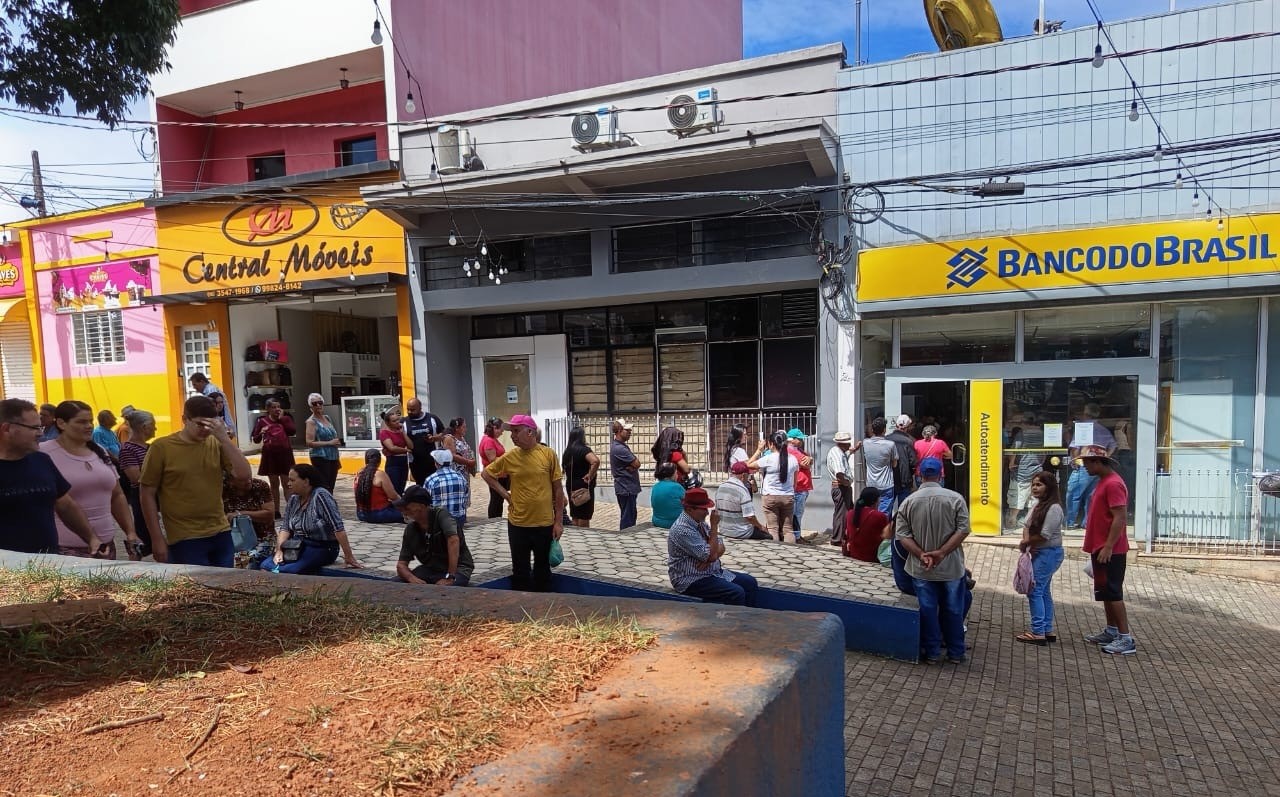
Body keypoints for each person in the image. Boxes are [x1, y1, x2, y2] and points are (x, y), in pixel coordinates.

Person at [139, 394, 253, 567]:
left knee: (225, 584)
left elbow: (244, 476)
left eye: (210, 425)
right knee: (197, 588)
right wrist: (156, 538)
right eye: (200, 424)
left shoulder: (215, 442)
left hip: (220, 530)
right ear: (185, 419)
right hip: (185, 536)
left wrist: (224, 438)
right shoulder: (162, 447)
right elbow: (147, 493)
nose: (205, 430)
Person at [41, 401, 141, 559]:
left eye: (90, 421)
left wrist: (130, 532)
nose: (88, 426)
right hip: (65, 549)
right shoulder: (43, 453)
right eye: (81, 422)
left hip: (106, 546)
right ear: (61, 423)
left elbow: (117, 495)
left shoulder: (99, 451)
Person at [895, 457, 970, 664]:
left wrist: (921, 555)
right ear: (941, 475)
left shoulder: (909, 501)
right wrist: (943, 552)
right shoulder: (956, 499)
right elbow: (964, 530)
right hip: (951, 566)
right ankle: (956, 652)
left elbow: (902, 536)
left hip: (921, 568)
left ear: (919, 476)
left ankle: (933, 653)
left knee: (928, 609)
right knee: (954, 610)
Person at [0, 398, 97, 554]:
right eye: (34, 428)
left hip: (48, 565)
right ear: (7, 429)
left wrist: (91, 538)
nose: (40, 433)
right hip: (8, 572)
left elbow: (65, 505)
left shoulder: (41, 460)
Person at [481, 414, 566, 592]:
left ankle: (543, 608)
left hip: (544, 524)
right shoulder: (511, 456)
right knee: (520, 570)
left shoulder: (548, 454)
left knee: (542, 570)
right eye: (512, 432)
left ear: (530, 432)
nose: (512, 436)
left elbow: (558, 489)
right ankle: (521, 609)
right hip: (518, 524)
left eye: (516, 431)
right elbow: (487, 474)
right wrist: (506, 495)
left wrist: (558, 521)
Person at [1079, 444, 1137, 655]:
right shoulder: (1104, 482)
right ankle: (1112, 631)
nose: (1084, 466)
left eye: (1087, 462)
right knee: (1105, 591)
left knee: (1113, 593)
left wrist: (1109, 546)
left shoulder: (1113, 484)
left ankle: (1125, 638)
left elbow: (1119, 517)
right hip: (1102, 547)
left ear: (1097, 462)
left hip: (1110, 549)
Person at [262, 464, 362, 574]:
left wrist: (348, 556)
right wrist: (279, 550)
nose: (288, 483)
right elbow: (285, 528)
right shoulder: (294, 499)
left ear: (306, 481)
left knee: (290, 571)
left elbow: (338, 528)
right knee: (266, 565)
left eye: (292, 480)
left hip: (321, 548)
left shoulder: (321, 496)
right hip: (296, 546)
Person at [666, 487, 759, 606]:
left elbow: (720, 546)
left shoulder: (700, 522)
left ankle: (750, 616)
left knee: (750, 582)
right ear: (690, 509)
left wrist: (710, 559)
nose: (707, 512)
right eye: (703, 509)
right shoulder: (682, 529)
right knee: (736, 593)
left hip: (712, 571)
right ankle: (734, 621)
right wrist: (714, 527)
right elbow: (710, 553)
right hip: (691, 579)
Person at [1017, 470, 1065, 645]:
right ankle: (1046, 629)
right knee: (1043, 590)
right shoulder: (1037, 505)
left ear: (1049, 487)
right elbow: (1027, 525)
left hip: (1049, 553)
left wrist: (1027, 543)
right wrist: (1027, 541)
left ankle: (1038, 631)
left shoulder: (1054, 508)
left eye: (1039, 484)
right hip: (1039, 552)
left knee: (1035, 590)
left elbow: (1045, 535)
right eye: (1034, 484)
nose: (1035, 488)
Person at [394, 485, 475, 586]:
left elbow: (453, 540)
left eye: (407, 508)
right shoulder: (411, 529)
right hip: (431, 569)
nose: (404, 512)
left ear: (422, 506)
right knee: (394, 584)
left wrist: (450, 576)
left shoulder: (442, 516)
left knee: (441, 590)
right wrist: (411, 578)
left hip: (458, 569)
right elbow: (401, 565)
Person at [1065, 403, 1116, 528]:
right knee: (1090, 495)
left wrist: (1076, 461)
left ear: (1086, 414)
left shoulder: (1083, 428)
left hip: (1084, 465)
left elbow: (1075, 447)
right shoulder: (1103, 429)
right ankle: (1087, 522)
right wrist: (1105, 457)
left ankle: (1070, 522)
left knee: (1073, 494)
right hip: (1099, 465)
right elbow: (1113, 445)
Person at [118, 409, 157, 557]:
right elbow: (135, 478)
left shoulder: (149, 447)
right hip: (141, 495)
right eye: (153, 425)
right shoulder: (128, 449)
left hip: (154, 493)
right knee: (144, 535)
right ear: (144, 427)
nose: (155, 428)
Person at [748, 430, 799, 543]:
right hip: (788, 496)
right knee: (788, 529)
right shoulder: (793, 460)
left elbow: (748, 465)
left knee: (773, 529)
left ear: (771, 444)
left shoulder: (768, 458)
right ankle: (792, 554)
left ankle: (775, 554)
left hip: (770, 496)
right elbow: (795, 482)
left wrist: (759, 450)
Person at [251, 398, 295, 516]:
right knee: (274, 484)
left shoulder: (286, 419)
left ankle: (292, 510)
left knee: (287, 483)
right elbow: (255, 439)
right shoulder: (262, 421)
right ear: (268, 409)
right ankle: (276, 511)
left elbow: (292, 431)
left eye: (278, 407)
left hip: (285, 454)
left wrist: (282, 419)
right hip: (270, 455)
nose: (277, 409)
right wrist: (261, 432)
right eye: (274, 407)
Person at [1005, 412, 1044, 528]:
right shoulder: (1042, 434)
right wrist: (1040, 462)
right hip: (1036, 469)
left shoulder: (1022, 434)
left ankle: (1011, 522)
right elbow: (1046, 451)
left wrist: (1011, 463)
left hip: (1021, 471)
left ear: (1024, 422)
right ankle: (1029, 522)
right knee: (1033, 499)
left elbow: (1015, 449)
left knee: (1017, 498)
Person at [715, 461, 770, 540]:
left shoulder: (721, 487)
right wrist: (761, 527)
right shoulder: (742, 490)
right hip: (741, 532)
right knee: (768, 537)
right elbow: (750, 516)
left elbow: (717, 511)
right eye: (748, 475)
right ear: (743, 475)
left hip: (724, 530)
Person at [562, 426, 600, 528]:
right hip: (583, 486)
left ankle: (577, 535)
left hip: (571, 485)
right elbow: (595, 461)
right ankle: (584, 534)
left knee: (575, 515)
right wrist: (590, 475)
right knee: (584, 515)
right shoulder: (583, 450)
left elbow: (563, 469)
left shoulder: (567, 452)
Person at [304, 392, 341, 493]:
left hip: (333, 456)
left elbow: (332, 436)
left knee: (331, 485)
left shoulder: (327, 418)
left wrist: (336, 442)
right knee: (324, 486)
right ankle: (323, 506)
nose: (318, 405)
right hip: (321, 457)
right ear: (311, 406)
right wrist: (329, 443)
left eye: (320, 403)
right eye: (314, 404)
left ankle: (329, 506)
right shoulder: (311, 422)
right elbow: (309, 442)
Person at [222, 472, 275, 543]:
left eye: (249, 477)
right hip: (233, 539)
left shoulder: (260, 485)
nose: (248, 482)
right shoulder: (221, 489)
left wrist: (240, 514)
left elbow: (270, 514)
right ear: (230, 481)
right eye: (242, 480)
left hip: (263, 538)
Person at [403, 397, 446, 485]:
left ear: (420, 408)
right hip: (415, 462)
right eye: (408, 410)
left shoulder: (432, 418)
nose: (410, 412)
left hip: (433, 460)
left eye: (413, 410)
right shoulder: (404, 422)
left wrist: (434, 438)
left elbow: (444, 434)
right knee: (420, 485)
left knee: (435, 484)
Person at [861, 417, 898, 515]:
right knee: (884, 514)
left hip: (871, 483)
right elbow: (894, 464)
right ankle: (882, 529)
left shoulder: (865, 443)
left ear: (872, 430)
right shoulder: (890, 444)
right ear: (884, 430)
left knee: (870, 511)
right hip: (886, 484)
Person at [353, 449, 403, 523]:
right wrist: (404, 504)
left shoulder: (359, 473)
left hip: (361, 514)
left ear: (366, 460)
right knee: (408, 513)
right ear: (379, 461)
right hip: (379, 514)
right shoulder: (380, 474)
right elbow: (393, 496)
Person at [425, 448, 469, 531]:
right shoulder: (461, 477)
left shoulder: (431, 480)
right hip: (459, 520)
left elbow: (425, 502)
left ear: (436, 463)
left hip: (438, 520)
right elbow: (465, 499)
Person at [610, 418, 642, 529]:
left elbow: (634, 464)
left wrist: (632, 467)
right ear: (619, 430)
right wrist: (633, 466)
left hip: (627, 488)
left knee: (630, 516)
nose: (629, 433)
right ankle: (626, 540)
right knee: (628, 520)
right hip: (626, 488)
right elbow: (637, 463)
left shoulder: (621, 446)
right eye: (627, 430)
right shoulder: (620, 448)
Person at [844, 486, 890, 563]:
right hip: (872, 556)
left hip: (853, 553)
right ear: (874, 501)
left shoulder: (850, 513)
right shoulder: (879, 516)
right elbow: (888, 535)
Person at [826, 431, 854, 545]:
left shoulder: (840, 452)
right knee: (841, 514)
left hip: (842, 486)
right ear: (841, 444)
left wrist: (854, 450)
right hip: (841, 486)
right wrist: (846, 482)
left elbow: (846, 455)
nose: (849, 445)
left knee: (845, 511)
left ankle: (843, 535)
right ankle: (837, 539)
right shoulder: (837, 454)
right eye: (847, 443)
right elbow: (839, 473)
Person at [442, 416, 476, 510]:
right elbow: (451, 455)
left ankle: (462, 514)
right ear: (457, 428)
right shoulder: (449, 438)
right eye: (464, 427)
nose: (466, 429)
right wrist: (468, 462)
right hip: (455, 472)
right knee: (456, 494)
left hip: (464, 473)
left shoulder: (462, 438)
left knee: (463, 494)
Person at [887, 414, 918, 512]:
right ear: (908, 427)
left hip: (889, 479)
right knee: (903, 510)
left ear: (896, 425)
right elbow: (913, 462)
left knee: (887, 508)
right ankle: (901, 527)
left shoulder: (886, 439)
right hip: (904, 480)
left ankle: (886, 526)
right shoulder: (909, 441)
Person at [478, 417, 507, 519]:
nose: (502, 433)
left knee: (497, 498)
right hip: (494, 475)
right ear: (495, 428)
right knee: (496, 498)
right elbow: (493, 460)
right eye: (501, 430)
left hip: (499, 474)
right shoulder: (489, 441)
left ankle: (496, 518)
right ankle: (494, 519)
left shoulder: (492, 439)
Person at [786, 428, 814, 535]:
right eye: (799, 439)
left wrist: (810, 458)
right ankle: (796, 536)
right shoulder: (791, 450)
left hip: (803, 487)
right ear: (792, 439)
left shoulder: (799, 450)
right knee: (796, 513)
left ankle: (796, 535)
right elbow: (805, 463)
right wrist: (809, 460)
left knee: (798, 513)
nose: (802, 441)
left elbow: (809, 459)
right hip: (798, 487)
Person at [378, 407, 411, 495]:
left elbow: (411, 446)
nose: (397, 422)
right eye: (394, 421)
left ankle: (400, 506)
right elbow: (392, 448)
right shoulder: (384, 433)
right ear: (388, 423)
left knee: (402, 486)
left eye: (398, 420)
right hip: (393, 462)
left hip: (404, 461)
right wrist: (405, 450)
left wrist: (403, 433)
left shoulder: (400, 431)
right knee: (394, 487)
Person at [649, 462, 686, 529]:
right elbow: (689, 501)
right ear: (671, 475)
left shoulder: (655, 486)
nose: (677, 475)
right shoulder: (677, 487)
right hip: (675, 522)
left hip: (657, 521)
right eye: (676, 473)